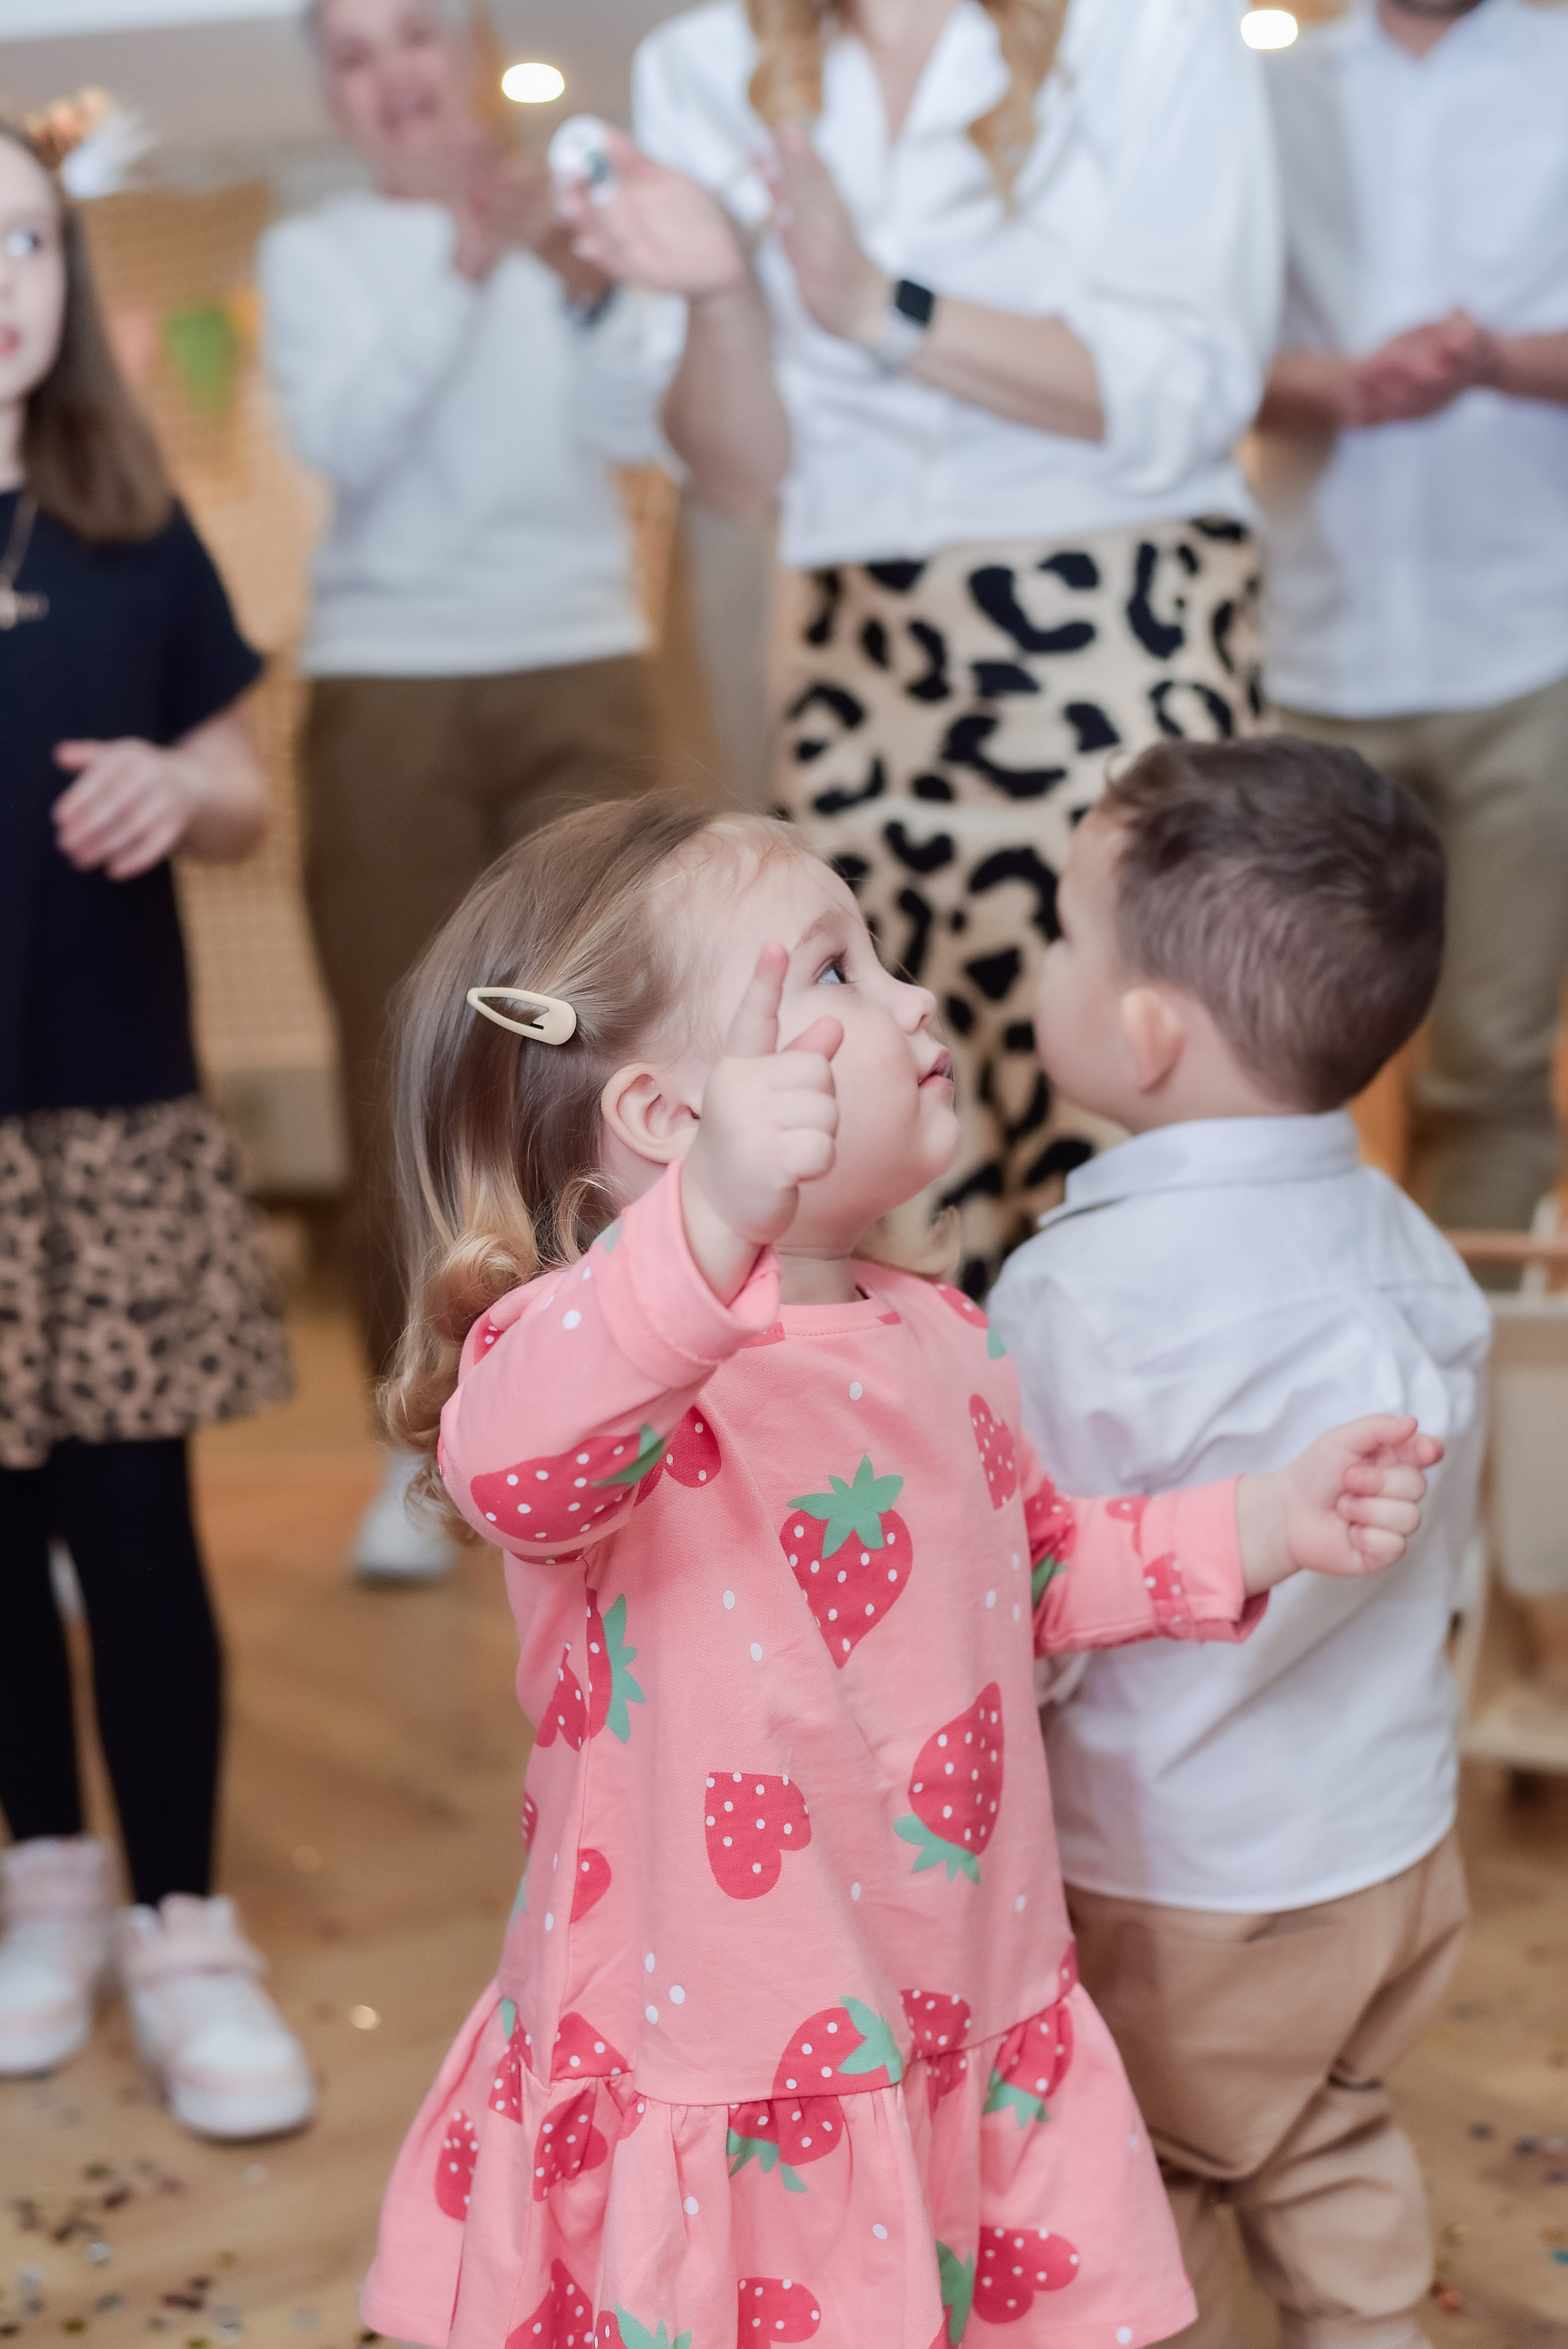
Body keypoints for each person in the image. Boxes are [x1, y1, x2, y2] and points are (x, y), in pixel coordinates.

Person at [355, 790, 1439, 2349]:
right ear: (670, 1119)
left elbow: (1037, 1568)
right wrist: (707, 1231)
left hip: (954, 1982)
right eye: (835, 975)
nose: (913, 994)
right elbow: (515, 1462)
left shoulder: (941, 1334)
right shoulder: (586, 1351)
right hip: (727, 2039)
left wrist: (1259, 1523)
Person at [560, 0, 1281, 1297]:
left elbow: (1197, 382)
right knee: (896, 1130)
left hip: (1117, 610)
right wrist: (724, 300)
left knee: (1145, 1086)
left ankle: (1190, 1493)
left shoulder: (1148, 30)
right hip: (860, 645)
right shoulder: (700, 66)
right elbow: (737, 475)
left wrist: (872, 306)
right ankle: (955, 1469)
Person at [991, 739, 1491, 2349]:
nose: (1038, 957)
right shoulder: (1412, 1248)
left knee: (1148, 2173)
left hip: (1179, 1879)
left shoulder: (1075, 1295)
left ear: (1145, 1029)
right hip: (1391, 1850)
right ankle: (1369, 2321)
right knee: (1322, 2117)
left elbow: (1038, 1593)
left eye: (1064, 928)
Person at [261, 0, 667, 1577]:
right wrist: (459, 259)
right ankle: (416, 1442)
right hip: (385, 680)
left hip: (581, 656)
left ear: (475, 51)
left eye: (413, 35)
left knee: (623, 1042)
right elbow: (349, 442)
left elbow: (643, 432)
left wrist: (583, 294)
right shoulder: (319, 255)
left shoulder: (580, 224)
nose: (393, 76)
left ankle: (635, 1403)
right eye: (353, 56)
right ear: (332, 94)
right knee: (404, 1058)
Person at [0, 120, 314, 2138]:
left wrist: (182, 799)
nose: (5, 280)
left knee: (137, 1535)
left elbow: (244, 788)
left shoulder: (123, 522)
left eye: (28, 243)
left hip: (113, 1121)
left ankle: (188, 1919)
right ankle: (49, 1869)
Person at [1254, 0, 1568, 1246]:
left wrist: (1492, 361)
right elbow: (1186, 353)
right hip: (1307, 647)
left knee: (1488, 1070)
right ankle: (1289, 1381)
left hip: (1528, 643)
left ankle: (1469, 1397)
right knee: (1265, 1072)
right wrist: (1343, 387)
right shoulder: (1264, 87)